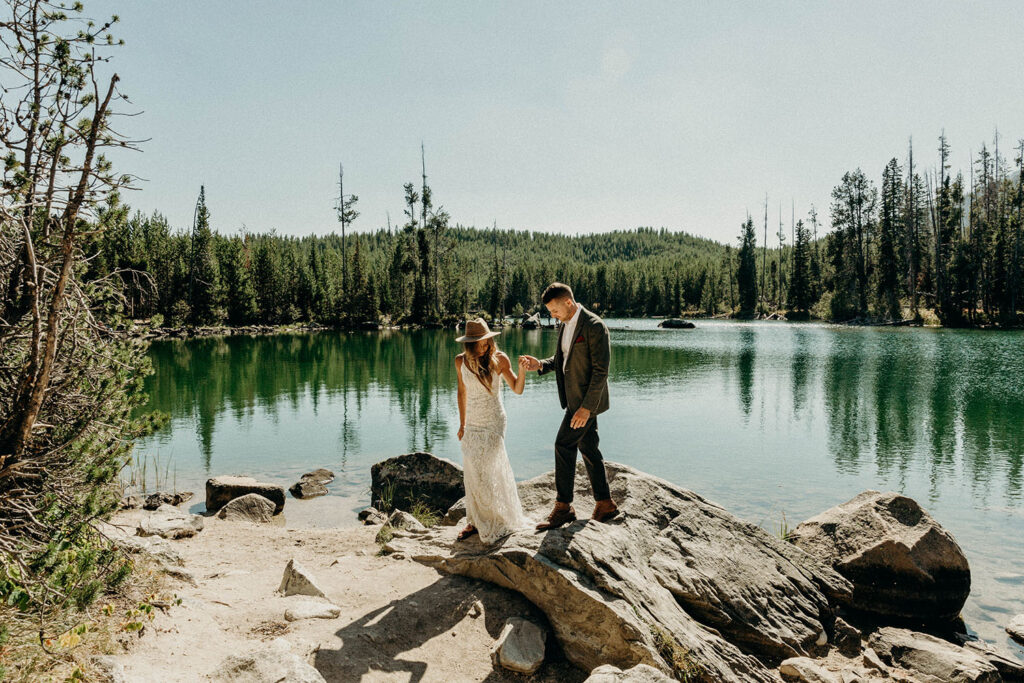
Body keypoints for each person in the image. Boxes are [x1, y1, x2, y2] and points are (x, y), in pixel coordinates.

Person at [519, 282, 619, 529]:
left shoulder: (594, 326)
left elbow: (600, 372)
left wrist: (586, 408)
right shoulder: (565, 325)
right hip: (574, 400)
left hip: (585, 403)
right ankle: (605, 503)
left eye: (554, 310)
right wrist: (540, 364)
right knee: (588, 448)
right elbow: (563, 360)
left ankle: (563, 507)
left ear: (568, 302)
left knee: (563, 445)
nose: (551, 315)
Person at [454, 318, 531, 542]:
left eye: (486, 340)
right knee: (472, 472)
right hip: (472, 423)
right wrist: (462, 424)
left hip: (493, 421)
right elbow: (461, 393)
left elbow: (517, 389)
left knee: (488, 471)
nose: (485, 345)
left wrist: (521, 370)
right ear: (469, 343)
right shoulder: (460, 361)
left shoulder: (499, 359)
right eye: (480, 342)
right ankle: (475, 521)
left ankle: (497, 519)